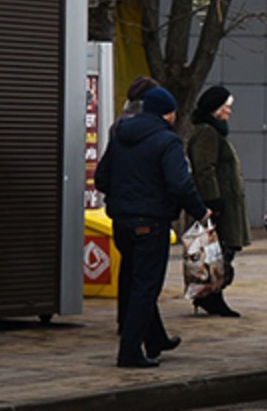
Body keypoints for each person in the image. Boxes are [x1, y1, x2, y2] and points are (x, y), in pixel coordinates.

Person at [96, 87, 211, 368]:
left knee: (139, 281)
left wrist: (122, 198)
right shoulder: (166, 141)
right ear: (168, 113)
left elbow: (101, 178)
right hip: (151, 222)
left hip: (121, 222)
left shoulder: (120, 135)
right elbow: (179, 183)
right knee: (145, 287)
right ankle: (130, 352)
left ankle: (156, 339)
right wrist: (200, 211)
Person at [186, 85, 249, 318]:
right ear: (215, 110)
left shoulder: (215, 132)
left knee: (220, 250)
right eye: (226, 107)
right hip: (217, 205)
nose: (229, 112)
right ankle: (210, 296)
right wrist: (213, 200)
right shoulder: (207, 133)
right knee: (216, 251)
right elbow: (204, 169)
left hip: (223, 203)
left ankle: (211, 295)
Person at [111, 74, 160, 333]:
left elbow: (104, 175)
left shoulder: (118, 126)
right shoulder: (153, 130)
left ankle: (139, 328)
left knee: (130, 270)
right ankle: (135, 333)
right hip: (147, 211)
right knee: (145, 278)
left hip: (121, 211)